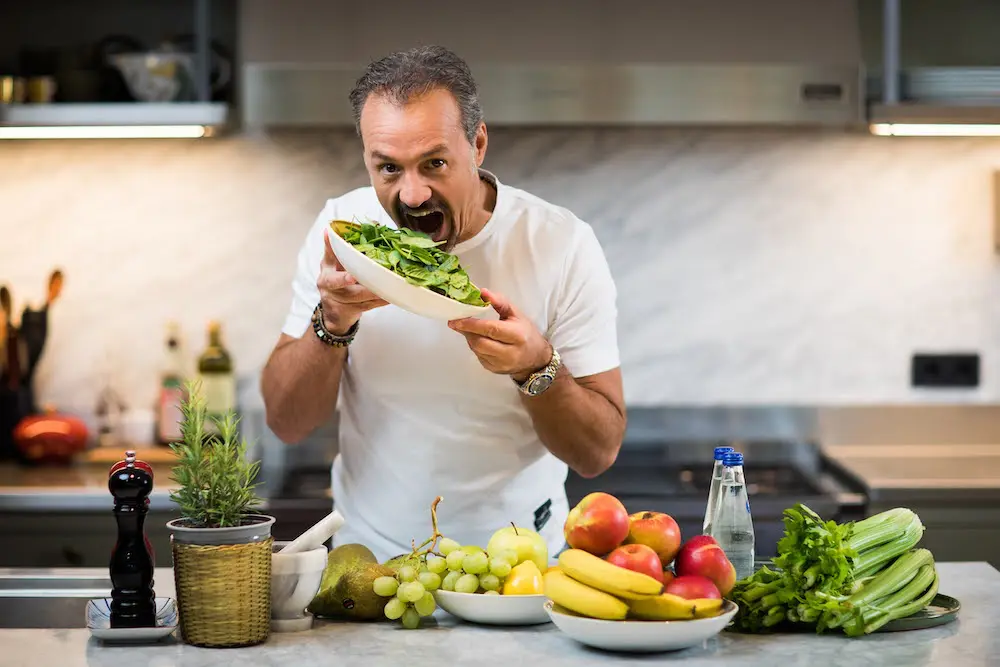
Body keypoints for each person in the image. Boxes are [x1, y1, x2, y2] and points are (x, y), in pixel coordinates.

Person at [261, 45, 626, 563]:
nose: (412, 195)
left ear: (477, 144)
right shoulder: (342, 238)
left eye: (434, 163)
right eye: (388, 169)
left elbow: (597, 453)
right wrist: (333, 320)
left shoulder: (560, 243)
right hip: (372, 566)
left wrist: (535, 366)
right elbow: (287, 423)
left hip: (518, 570)